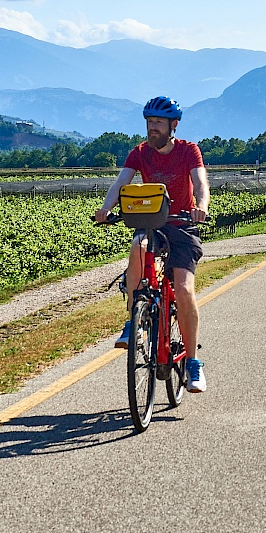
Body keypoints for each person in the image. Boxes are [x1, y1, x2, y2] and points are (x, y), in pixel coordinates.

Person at [95, 95, 211, 393]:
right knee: (137, 247)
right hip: (150, 224)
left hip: (183, 225)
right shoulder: (140, 153)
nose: (152, 128)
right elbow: (121, 184)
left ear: (173, 125)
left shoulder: (188, 151)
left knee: (183, 289)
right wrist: (106, 209)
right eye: (149, 122)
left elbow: (200, 182)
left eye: (158, 122)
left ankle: (194, 363)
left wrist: (201, 205)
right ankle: (134, 321)